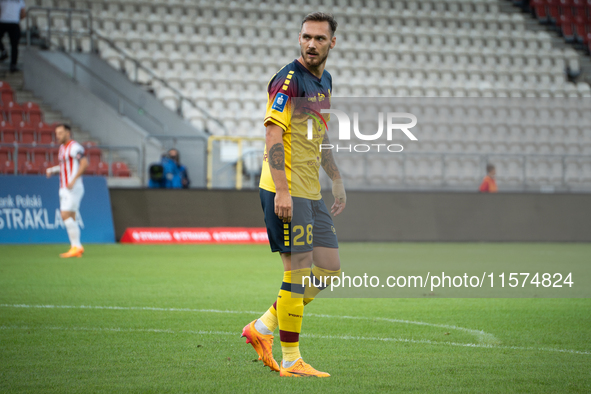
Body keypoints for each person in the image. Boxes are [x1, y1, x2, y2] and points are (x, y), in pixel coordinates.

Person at [241, 12, 346, 378]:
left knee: (329, 270)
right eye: (306, 37)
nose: (311, 44)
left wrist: (335, 176)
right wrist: (283, 191)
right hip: (284, 191)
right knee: (297, 274)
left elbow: (321, 133)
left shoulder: (325, 81)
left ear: (332, 42)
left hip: (311, 193)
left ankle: (262, 327)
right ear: (299, 39)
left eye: (319, 38)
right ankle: (291, 359)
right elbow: (272, 135)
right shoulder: (289, 80)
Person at [46, 124, 89, 258]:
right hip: (64, 187)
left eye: (60, 133)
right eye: (56, 133)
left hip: (72, 187)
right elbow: (65, 166)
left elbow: (84, 163)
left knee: (65, 215)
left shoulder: (74, 147)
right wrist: (53, 170)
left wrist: (74, 179)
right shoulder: (62, 148)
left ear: (68, 133)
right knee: (71, 217)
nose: (57, 136)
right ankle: (75, 247)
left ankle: (77, 246)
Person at [0, 0, 26, 72]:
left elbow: (23, 13)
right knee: (14, 45)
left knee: (14, 45)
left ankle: (4, 52)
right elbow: (23, 13)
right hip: (12, 22)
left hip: (5, 21)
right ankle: (13, 64)